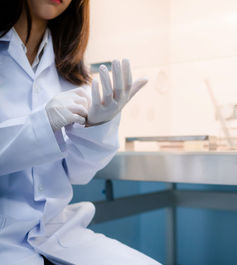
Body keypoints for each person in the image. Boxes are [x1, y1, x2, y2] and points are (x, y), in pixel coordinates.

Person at [0, 0, 160, 264]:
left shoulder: (70, 71)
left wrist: (99, 126)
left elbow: (78, 174)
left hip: (58, 232)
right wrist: (42, 124)